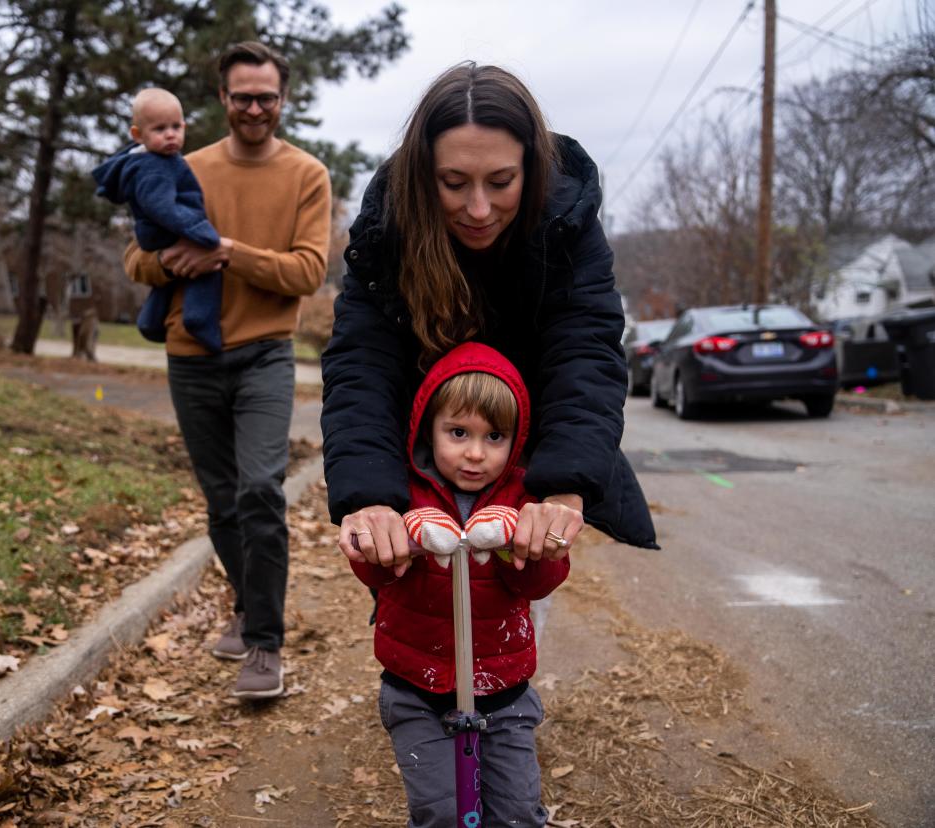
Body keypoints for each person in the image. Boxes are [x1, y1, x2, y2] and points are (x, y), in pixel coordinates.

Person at [321, 62, 658, 823]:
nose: (477, 207)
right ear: (421, 176)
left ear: (532, 168)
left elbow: (586, 348)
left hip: (528, 430)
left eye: (501, 182)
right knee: (420, 565)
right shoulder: (389, 221)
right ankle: (419, 695)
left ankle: (504, 701)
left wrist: (564, 481)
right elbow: (362, 358)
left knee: (517, 569)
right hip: (424, 431)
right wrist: (369, 493)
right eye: (453, 184)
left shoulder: (568, 217)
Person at [124, 41, 332, 700]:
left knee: (260, 489)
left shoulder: (307, 174)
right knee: (221, 501)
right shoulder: (182, 166)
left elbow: (307, 271)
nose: (254, 108)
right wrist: (172, 262)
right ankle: (247, 606)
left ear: (282, 100)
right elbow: (138, 258)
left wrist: (227, 251)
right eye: (242, 96)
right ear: (223, 98)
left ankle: (266, 644)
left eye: (265, 97)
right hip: (191, 356)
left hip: (267, 353)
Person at [347, 341, 567, 826]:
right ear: (430, 428)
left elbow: (542, 582)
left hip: (503, 689)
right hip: (416, 688)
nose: (474, 453)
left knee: (515, 813)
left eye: (494, 437)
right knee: (440, 814)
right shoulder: (400, 492)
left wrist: (517, 538)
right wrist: (397, 535)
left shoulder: (524, 496)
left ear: (516, 440)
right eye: (458, 432)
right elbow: (374, 572)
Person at [92, 87, 223, 352]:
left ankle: (151, 320)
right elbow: (161, 207)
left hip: (157, 232)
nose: (171, 134)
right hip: (168, 229)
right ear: (138, 135)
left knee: (171, 280)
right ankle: (199, 320)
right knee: (207, 267)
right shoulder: (156, 167)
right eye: (160, 129)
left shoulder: (153, 160)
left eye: (176, 126)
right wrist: (201, 232)